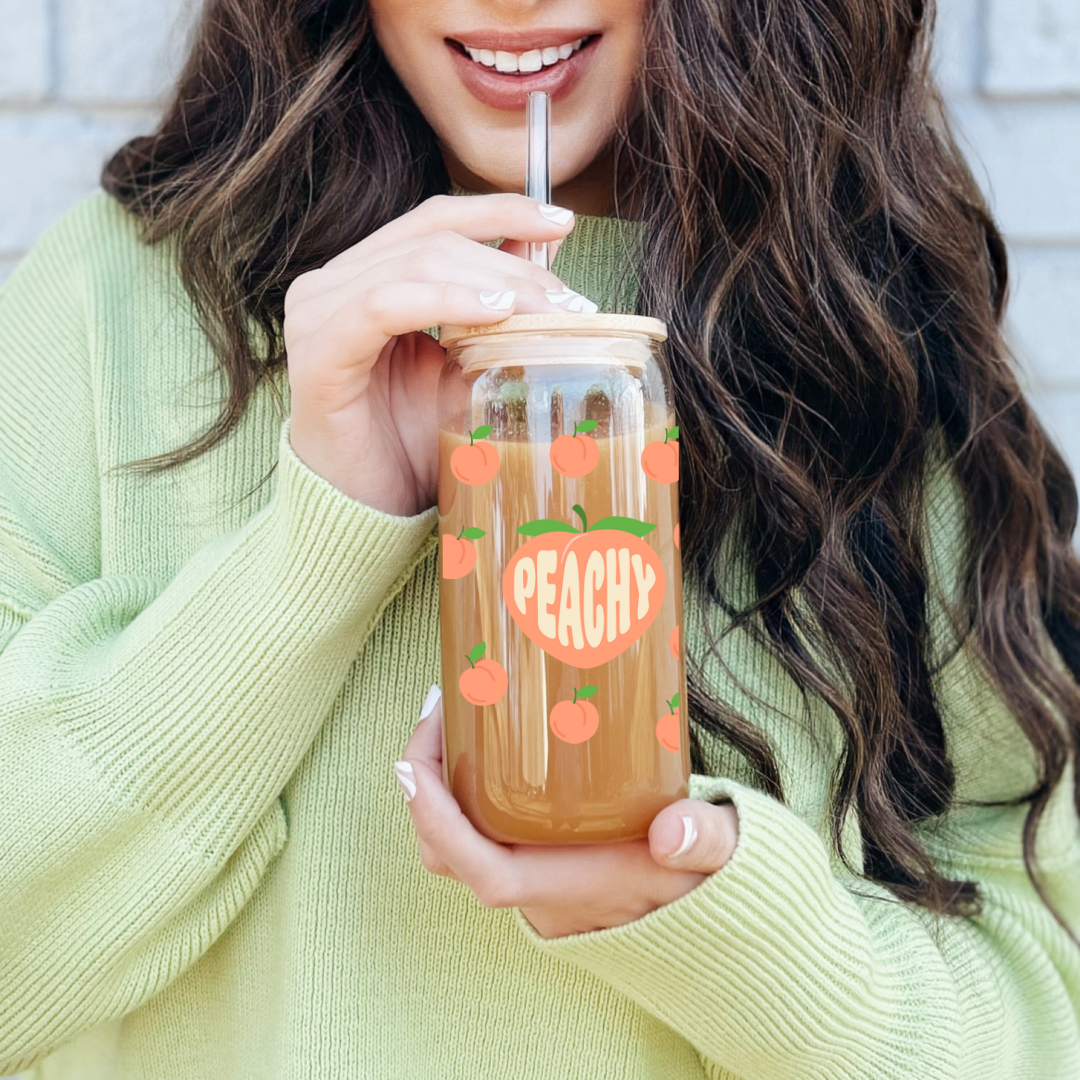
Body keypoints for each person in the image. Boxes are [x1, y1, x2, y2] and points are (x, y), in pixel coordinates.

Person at [1, 0, 1078, 1076]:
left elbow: (1046, 1015)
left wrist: (728, 928)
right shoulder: (117, 301)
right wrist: (321, 535)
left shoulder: (866, 346)